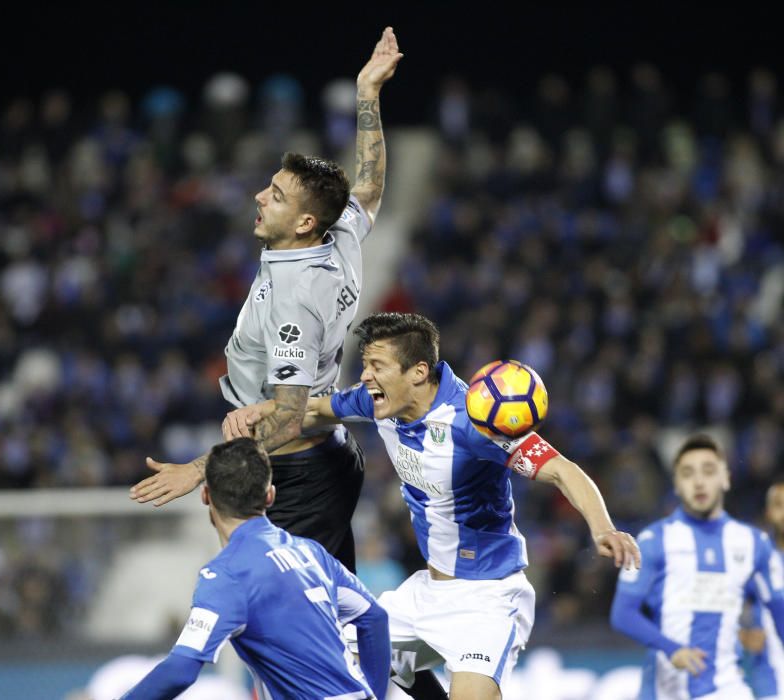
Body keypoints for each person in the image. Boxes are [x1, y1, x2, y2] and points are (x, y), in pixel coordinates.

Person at [224, 311, 640, 700]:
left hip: (488, 598)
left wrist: (604, 528)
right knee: (331, 653)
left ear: (419, 372)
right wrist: (251, 421)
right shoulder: (377, 402)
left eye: (377, 366)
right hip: (426, 592)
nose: (365, 376)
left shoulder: (475, 422)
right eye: (366, 364)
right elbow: (311, 412)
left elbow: (563, 471)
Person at [129, 27, 404, 574]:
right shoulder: (338, 234)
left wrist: (201, 470)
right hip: (323, 459)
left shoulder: (294, 301)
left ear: (304, 222)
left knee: (296, 633)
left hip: (296, 475)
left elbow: (287, 416)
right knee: (322, 618)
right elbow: (368, 188)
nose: (259, 196)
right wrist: (367, 93)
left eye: (275, 195)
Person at [120, 438, 391, 700]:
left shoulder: (226, 575)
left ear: (205, 495)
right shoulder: (311, 552)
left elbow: (180, 671)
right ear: (270, 494)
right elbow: (374, 618)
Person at [610, 434, 784, 700]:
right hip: (665, 690)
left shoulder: (753, 544)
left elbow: (779, 611)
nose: (699, 482)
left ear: (725, 478)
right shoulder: (652, 541)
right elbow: (623, 613)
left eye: (709, 471)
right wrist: (671, 648)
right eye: (688, 474)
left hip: (728, 688)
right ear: (677, 486)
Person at [741, 481, 784, 700]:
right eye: (779, 505)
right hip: (771, 679)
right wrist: (743, 635)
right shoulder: (755, 562)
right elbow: (724, 604)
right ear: (769, 513)